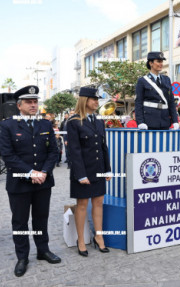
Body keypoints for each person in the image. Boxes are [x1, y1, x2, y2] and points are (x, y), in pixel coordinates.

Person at [0, 85, 60, 277]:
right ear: (19, 105)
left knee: (41, 218)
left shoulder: (45, 124)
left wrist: (43, 171)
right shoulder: (7, 125)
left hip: (43, 181)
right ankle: (22, 257)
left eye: (35, 101)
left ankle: (43, 250)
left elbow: (53, 152)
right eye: (29, 102)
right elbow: (8, 156)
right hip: (19, 182)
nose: (33, 105)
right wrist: (30, 172)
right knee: (20, 222)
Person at [67, 87, 112, 257]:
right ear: (84, 100)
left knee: (99, 202)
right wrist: (80, 175)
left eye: (97, 99)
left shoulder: (99, 121)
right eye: (93, 99)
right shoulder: (74, 121)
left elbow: (103, 147)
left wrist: (107, 169)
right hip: (83, 171)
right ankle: (80, 240)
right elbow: (74, 151)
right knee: (82, 205)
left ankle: (99, 237)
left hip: (98, 169)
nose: (97, 102)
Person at [135, 51, 179, 130]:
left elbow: (171, 101)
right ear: (151, 63)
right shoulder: (142, 81)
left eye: (162, 61)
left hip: (165, 121)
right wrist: (140, 122)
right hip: (149, 121)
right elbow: (138, 103)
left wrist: (175, 121)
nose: (161, 64)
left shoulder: (166, 79)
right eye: (158, 61)